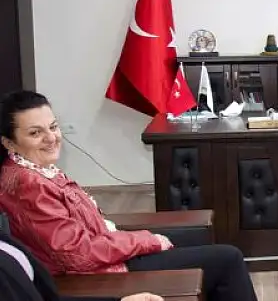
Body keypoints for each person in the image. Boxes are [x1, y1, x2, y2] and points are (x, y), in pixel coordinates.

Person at [0, 91, 257, 301]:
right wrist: (145, 240)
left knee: (203, 243)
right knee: (228, 259)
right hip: (95, 272)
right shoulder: (27, 186)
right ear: (9, 143)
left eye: (53, 127)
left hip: (105, 250)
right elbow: (77, 254)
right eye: (35, 133)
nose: (51, 138)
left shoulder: (33, 169)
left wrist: (133, 239)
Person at [1, 227, 161, 301]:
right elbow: (76, 252)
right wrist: (144, 241)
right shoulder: (31, 184)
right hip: (95, 268)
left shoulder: (6, 243)